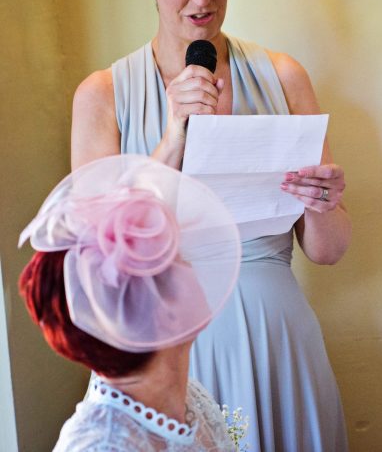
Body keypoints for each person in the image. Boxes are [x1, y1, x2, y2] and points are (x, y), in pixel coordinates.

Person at [70, 0, 351, 450]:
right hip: (169, 347)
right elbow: (96, 259)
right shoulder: (103, 94)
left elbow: (328, 251)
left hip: (276, 338)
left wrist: (323, 202)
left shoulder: (284, 76)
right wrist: (172, 138)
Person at [18, 154, 242, 451]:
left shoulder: (190, 398)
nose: (191, 266)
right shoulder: (102, 445)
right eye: (178, 262)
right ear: (162, 314)